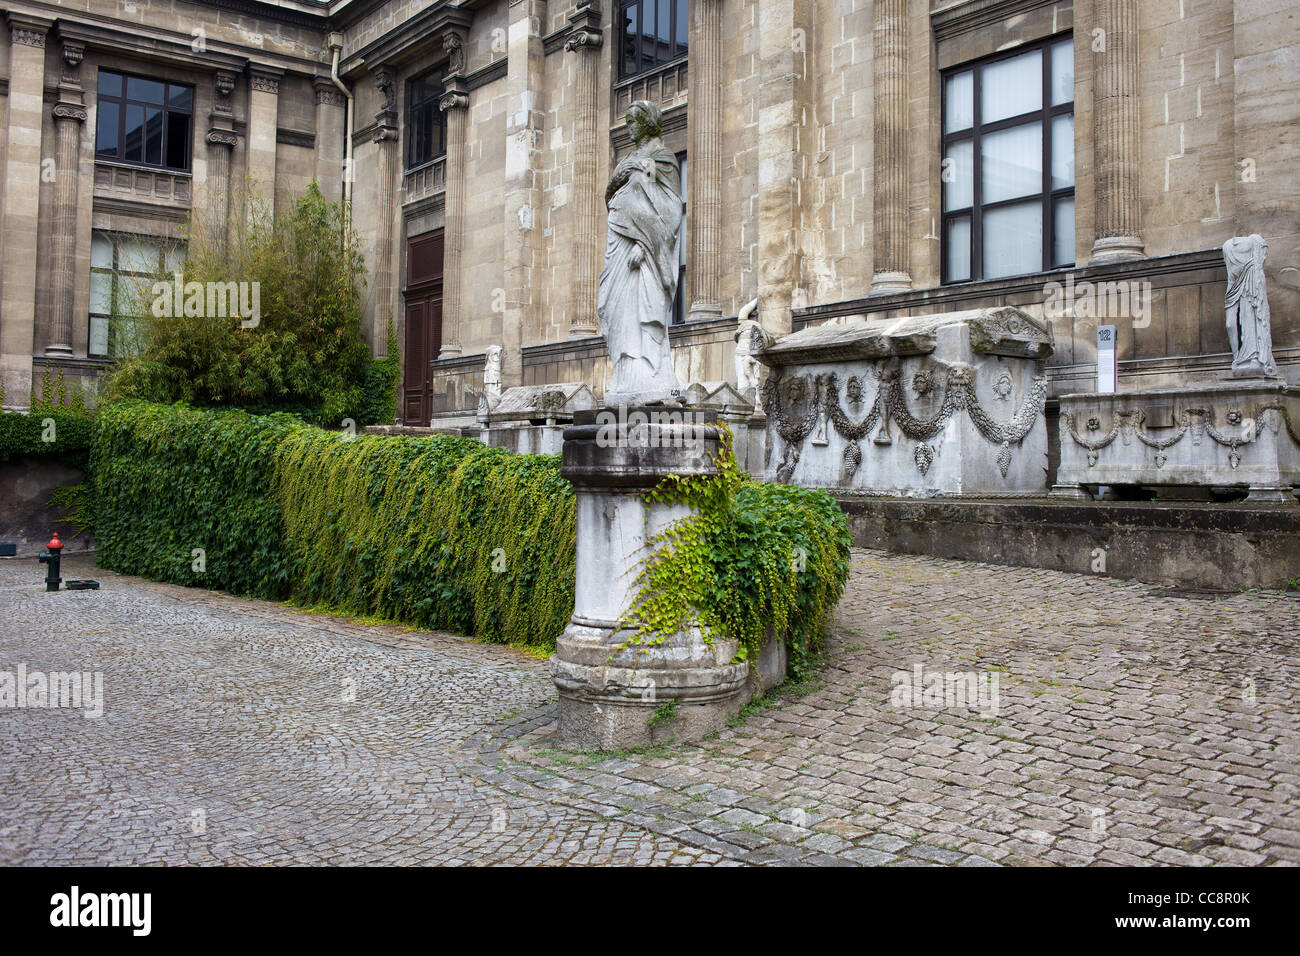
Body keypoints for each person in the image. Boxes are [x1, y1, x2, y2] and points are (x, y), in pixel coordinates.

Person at [598, 100, 684, 404]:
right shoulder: (632, 159)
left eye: (633, 121)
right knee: (614, 307)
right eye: (627, 121)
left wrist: (643, 245)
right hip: (619, 249)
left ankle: (648, 378)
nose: (628, 127)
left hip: (642, 252)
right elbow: (617, 196)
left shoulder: (658, 159)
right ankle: (625, 378)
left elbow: (665, 209)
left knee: (640, 310)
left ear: (647, 122)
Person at [1223, 234, 1277, 378]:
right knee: (1230, 324)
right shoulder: (1228, 248)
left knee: (1251, 320)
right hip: (1234, 288)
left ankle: (1255, 357)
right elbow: (1231, 278)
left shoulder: (1254, 270)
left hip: (1250, 291)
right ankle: (1238, 358)